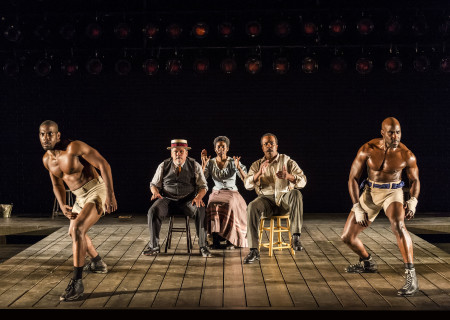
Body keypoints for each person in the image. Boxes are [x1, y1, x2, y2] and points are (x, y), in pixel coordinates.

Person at [39, 120, 118, 301]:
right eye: (42, 134)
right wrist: (62, 204)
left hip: (95, 190)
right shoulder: (46, 160)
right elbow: (56, 183)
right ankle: (97, 262)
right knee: (73, 232)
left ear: (58, 135)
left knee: (78, 230)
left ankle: (77, 283)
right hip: (79, 197)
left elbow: (104, 164)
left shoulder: (74, 148)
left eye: (50, 133)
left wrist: (111, 195)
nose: (46, 138)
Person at [341, 117, 420, 297]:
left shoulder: (406, 154)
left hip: (393, 192)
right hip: (370, 192)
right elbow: (352, 178)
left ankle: (411, 276)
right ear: (382, 133)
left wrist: (413, 200)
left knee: (399, 226)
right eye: (391, 133)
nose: (395, 136)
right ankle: (368, 262)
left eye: (398, 132)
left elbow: (415, 180)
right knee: (347, 237)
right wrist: (357, 206)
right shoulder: (367, 149)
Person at [243, 133, 307, 264]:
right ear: (262, 148)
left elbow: (303, 181)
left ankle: (295, 238)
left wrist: (289, 176)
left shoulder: (287, 161)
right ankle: (254, 250)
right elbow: (247, 185)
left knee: (296, 193)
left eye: (271, 143)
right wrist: (259, 173)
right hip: (266, 201)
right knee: (252, 206)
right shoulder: (257, 165)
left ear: (276, 146)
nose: (269, 146)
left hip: (284, 199)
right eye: (266, 144)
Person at [143, 139, 212, 257]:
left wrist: (199, 197)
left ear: (186, 153)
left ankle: (203, 246)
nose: (178, 154)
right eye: (175, 151)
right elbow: (153, 184)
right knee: (153, 211)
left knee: (201, 210)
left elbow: (203, 186)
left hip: (188, 200)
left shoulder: (195, 165)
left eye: (181, 151)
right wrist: (155, 192)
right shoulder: (163, 165)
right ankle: (154, 246)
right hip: (167, 200)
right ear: (171, 153)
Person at [201, 136, 248, 250]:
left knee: (229, 204)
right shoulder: (211, 162)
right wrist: (203, 164)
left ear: (227, 148)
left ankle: (230, 239)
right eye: (219, 147)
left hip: (232, 192)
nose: (221, 149)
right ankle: (215, 239)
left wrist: (239, 168)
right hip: (217, 192)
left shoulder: (233, 161)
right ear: (215, 149)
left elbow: (245, 179)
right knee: (212, 204)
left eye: (223, 146)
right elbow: (201, 180)